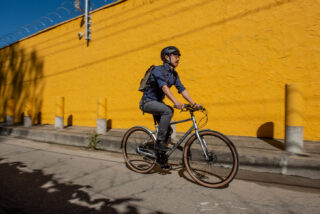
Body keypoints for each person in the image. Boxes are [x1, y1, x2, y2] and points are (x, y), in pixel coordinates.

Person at [139, 46, 201, 162]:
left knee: (169, 131)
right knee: (168, 110)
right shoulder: (158, 70)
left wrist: (194, 104)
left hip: (157, 103)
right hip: (147, 102)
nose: (178, 59)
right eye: (175, 56)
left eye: (178, 56)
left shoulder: (174, 75)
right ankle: (159, 142)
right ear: (166, 57)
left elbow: (182, 89)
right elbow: (164, 87)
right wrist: (176, 102)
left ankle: (160, 158)